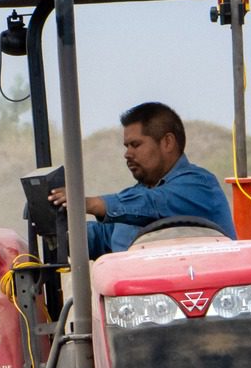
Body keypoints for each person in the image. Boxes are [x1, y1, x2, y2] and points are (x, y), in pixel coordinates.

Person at [50, 101, 235, 257]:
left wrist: (89, 203)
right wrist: (59, 230)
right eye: (126, 146)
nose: (127, 154)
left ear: (167, 142)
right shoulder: (134, 198)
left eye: (135, 145)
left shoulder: (200, 186)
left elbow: (153, 204)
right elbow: (103, 236)